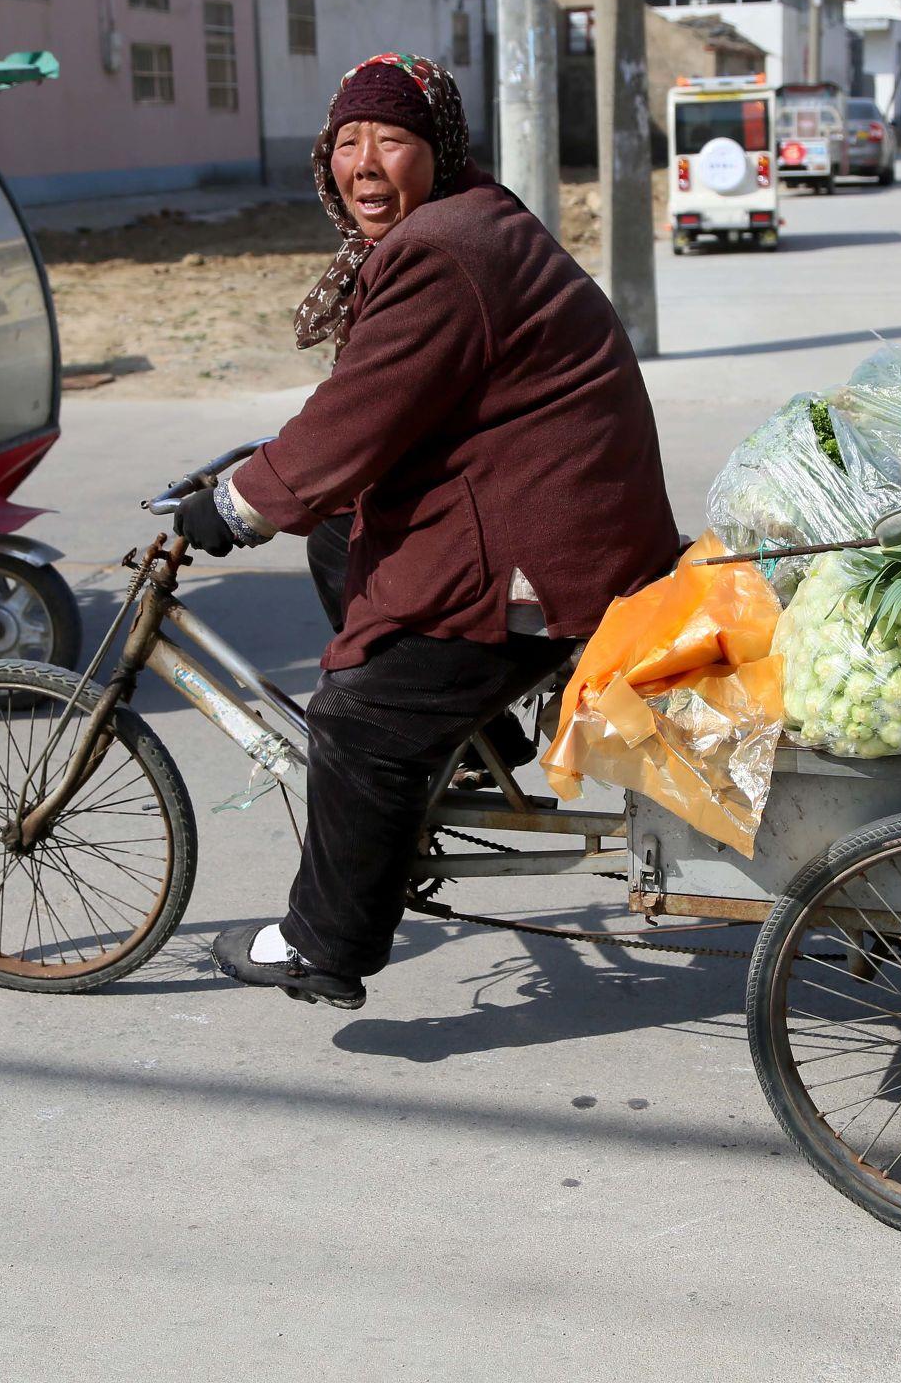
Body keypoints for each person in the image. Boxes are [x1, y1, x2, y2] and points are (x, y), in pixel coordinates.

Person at [181, 51, 679, 1010]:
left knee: (358, 721)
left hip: (548, 558)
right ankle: (469, 722)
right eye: (347, 142)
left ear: (439, 151)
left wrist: (238, 506)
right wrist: (289, 484)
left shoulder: (439, 250)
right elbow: (373, 408)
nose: (365, 164)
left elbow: (359, 415)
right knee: (340, 537)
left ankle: (325, 944)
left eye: (393, 140)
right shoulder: (466, 223)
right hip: (556, 511)